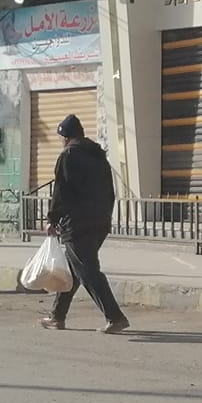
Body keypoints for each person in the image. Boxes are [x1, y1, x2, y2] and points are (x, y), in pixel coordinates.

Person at [40, 113, 129, 334]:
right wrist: (105, 217)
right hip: (100, 222)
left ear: (66, 137)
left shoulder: (68, 156)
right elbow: (109, 192)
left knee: (88, 271)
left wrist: (52, 219)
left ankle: (115, 317)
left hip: (77, 224)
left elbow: (62, 192)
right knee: (74, 269)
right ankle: (57, 316)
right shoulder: (99, 157)